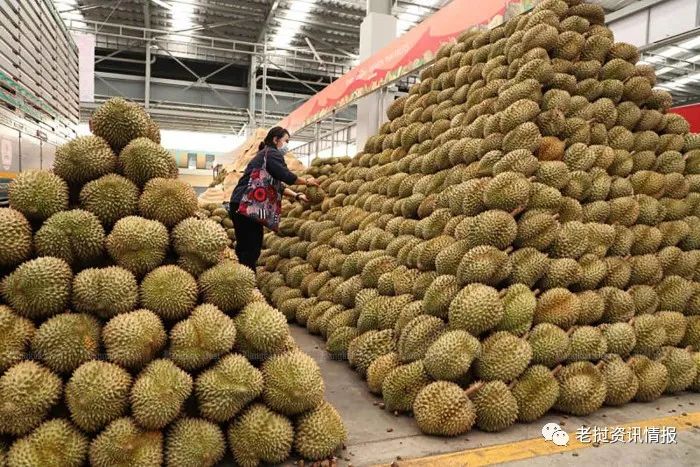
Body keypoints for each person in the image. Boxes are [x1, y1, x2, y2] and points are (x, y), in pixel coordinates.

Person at [229, 126, 318, 271]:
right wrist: (307, 182)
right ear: (275, 139)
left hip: (239, 204)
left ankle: (241, 280)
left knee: (245, 247)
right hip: (246, 205)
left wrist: (296, 195)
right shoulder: (271, 154)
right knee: (251, 248)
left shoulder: (264, 155)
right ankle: (247, 284)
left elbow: (277, 185)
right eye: (286, 141)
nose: (286, 146)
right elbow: (286, 176)